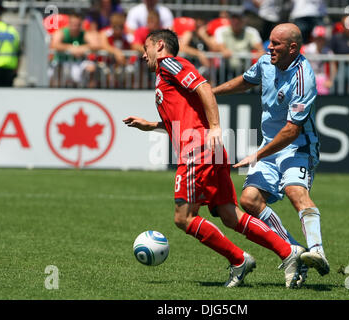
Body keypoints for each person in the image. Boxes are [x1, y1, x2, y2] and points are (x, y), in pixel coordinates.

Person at [123, 29, 306, 289]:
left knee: (183, 218)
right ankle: (289, 252)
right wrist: (151, 125)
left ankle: (239, 259)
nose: (143, 55)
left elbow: (204, 86)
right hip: (207, 148)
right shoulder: (164, 78)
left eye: (146, 48)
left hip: (197, 148)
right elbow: (185, 116)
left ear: (160, 45)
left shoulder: (168, 63)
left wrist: (215, 126)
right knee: (230, 215)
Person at [212, 23, 330, 279]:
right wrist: (211, 93)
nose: (270, 47)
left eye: (276, 44)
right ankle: (293, 250)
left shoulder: (303, 77)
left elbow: (291, 131)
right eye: (270, 42)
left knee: (295, 191)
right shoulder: (266, 62)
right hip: (270, 146)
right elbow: (245, 81)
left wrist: (257, 155)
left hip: (298, 147)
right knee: (249, 200)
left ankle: (318, 251)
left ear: (293, 48)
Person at [49, 12, 100, 88]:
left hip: (78, 63)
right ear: (69, 23)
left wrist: (81, 48)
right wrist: (70, 48)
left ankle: (90, 94)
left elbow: (96, 45)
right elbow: (54, 44)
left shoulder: (84, 34)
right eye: (73, 24)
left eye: (77, 24)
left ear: (81, 24)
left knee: (91, 68)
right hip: (62, 62)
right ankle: (55, 94)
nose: (75, 27)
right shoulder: (61, 32)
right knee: (58, 69)